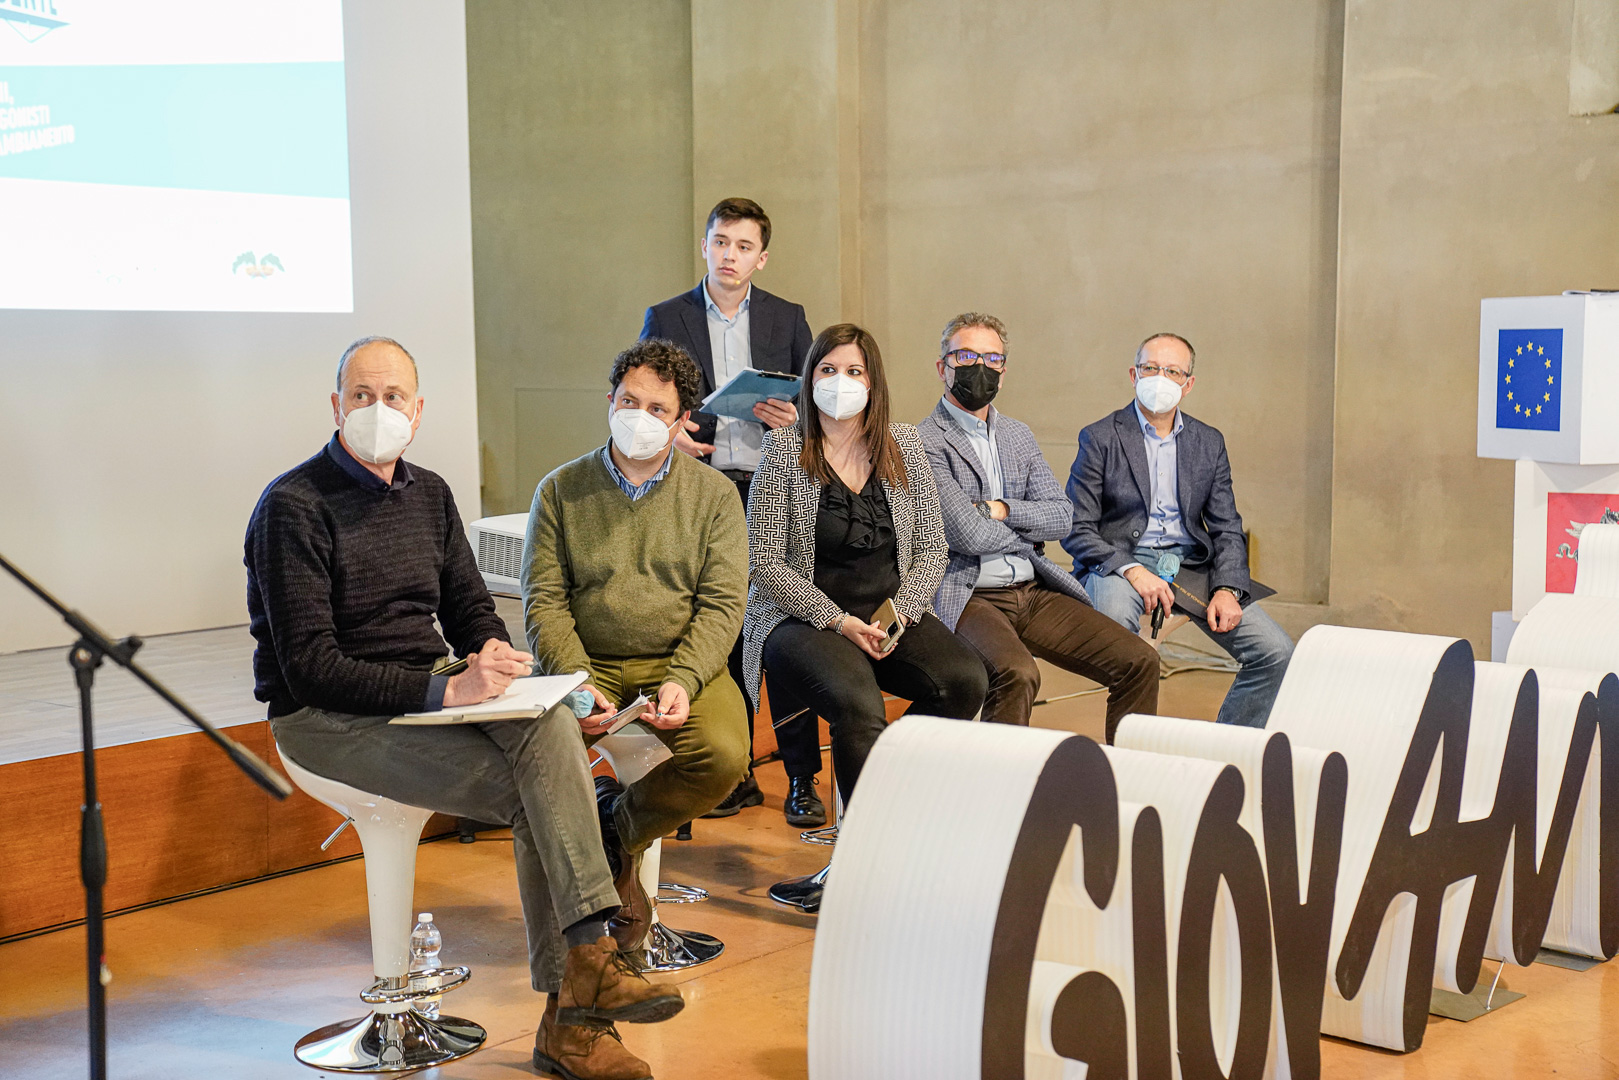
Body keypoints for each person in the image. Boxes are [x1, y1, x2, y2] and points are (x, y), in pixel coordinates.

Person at [249, 336, 679, 1080]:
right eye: (360, 395)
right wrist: (443, 688)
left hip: (428, 696)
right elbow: (310, 669)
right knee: (545, 790)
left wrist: (499, 661)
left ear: (417, 412)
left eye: (392, 398)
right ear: (335, 405)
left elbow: (471, 608)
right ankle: (582, 999)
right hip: (326, 721)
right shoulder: (293, 506)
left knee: (549, 726)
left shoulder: (431, 493)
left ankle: (584, 978)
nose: (376, 411)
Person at [522, 338, 750, 937]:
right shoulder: (560, 490)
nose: (640, 418)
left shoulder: (715, 496)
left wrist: (684, 678)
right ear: (609, 402)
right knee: (534, 761)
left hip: (678, 668)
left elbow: (723, 604)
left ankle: (615, 828)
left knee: (725, 757)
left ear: (680, 422)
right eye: (629, 401)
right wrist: (576, 683)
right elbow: (543, 600)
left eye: (657, 409)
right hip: (586, 666)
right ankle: (588, 921)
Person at [742, 323, 988, 842]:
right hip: (801, 617)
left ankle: (893, 789)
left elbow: (931, 548)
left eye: (854, 371)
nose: (840, 381)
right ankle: (866, 851)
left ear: (872, 382)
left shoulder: (904, 446)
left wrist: (897, 614)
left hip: (888, 613)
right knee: (859, 707)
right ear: (809, 380)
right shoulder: (783, 451)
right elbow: (765, 562)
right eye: (828, 370)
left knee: (965, 681)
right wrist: (839, 621)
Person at [641, 196, 824, 826]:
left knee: (774, 631)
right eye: (721, 241)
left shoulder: (787, 317)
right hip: (699, 489)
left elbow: (817, 402)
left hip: (772, 489)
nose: (730, 255)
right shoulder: (666, 315)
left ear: (761, 257)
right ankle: (725, 773)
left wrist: (795, 415)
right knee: (711, 627)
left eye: (744, 246)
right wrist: (674, 436)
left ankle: (801, 777)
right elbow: (645, 402)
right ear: (706, 246)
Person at [919, 313, 1159, 742]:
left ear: (1004, 372)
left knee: (1138, 661)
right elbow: (965, 535)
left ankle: (1128, 776)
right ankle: (1002, 796)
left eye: (993, 359)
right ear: (943, 367)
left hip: (1032, 587)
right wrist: (1027, 525)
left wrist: (1000, 509)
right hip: (970, 592)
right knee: (1017, 673)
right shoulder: (922, 440)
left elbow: (1062, 516)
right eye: (967, 355)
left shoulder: (1018, 436)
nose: (981, 367)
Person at [1063, 332, 1293, 729]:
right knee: (1128, 653)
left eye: (1173, 371)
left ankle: (1230, 748)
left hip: (1190, 565)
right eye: (1151, 368)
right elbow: (1075, 527)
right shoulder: (1100, 437)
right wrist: (1132, 571)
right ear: (1134, 374)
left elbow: (1226, 527)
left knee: (1276, 652)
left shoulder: (1208, 442)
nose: (1160, 378)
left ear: (1188, 384)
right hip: (1122, 562)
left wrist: (1227, 588)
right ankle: (1131, 756)